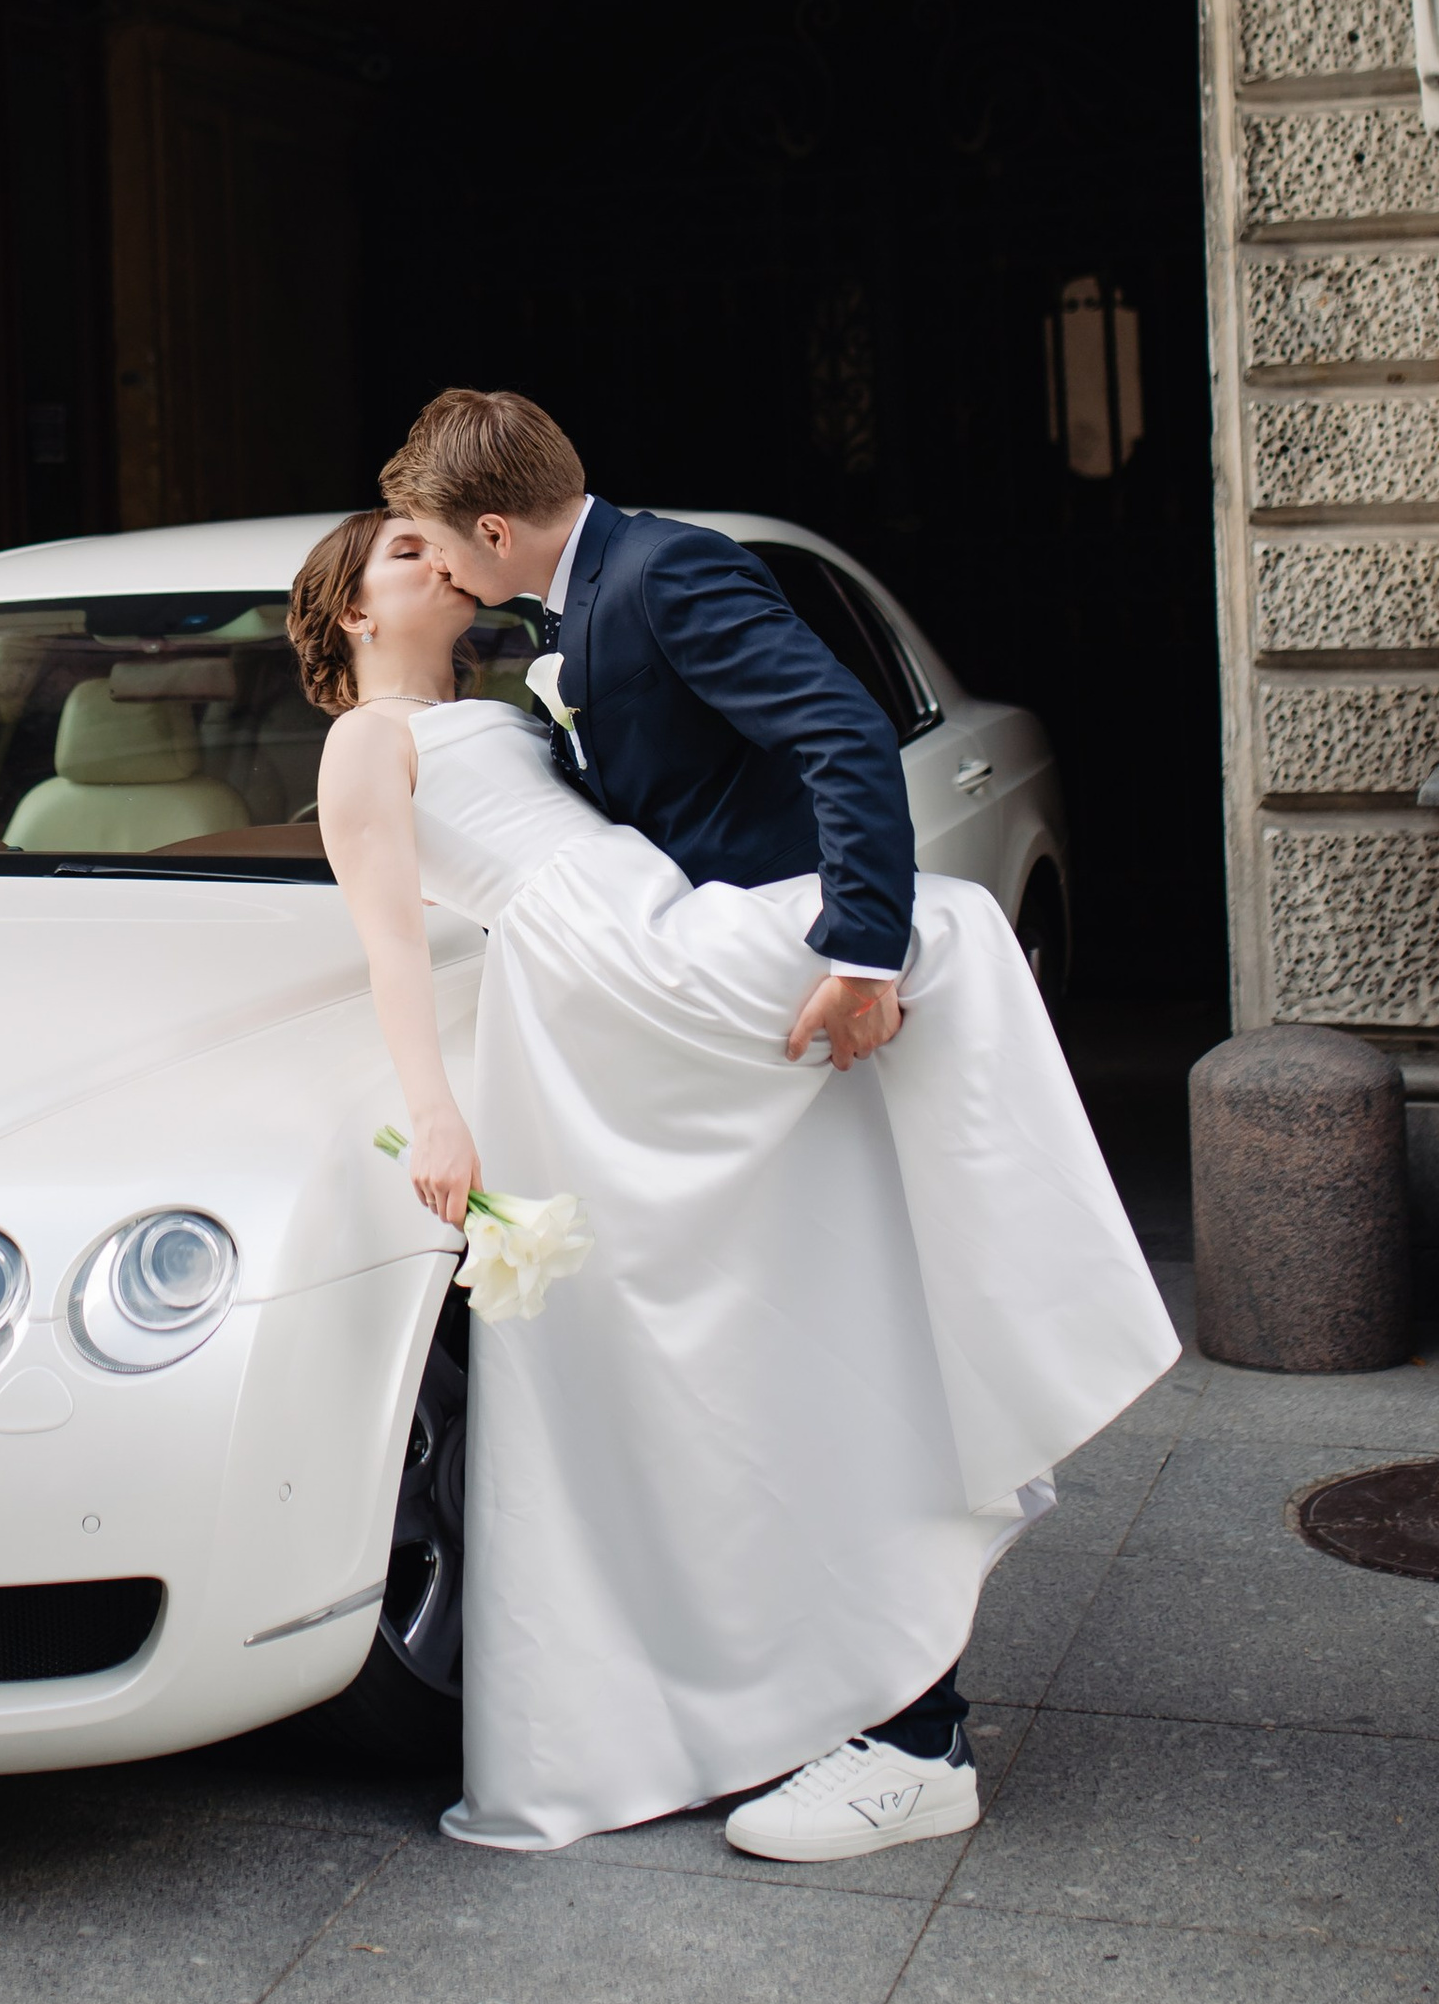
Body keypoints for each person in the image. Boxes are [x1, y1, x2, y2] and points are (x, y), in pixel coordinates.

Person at [296, 395, 1175, 1860]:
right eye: (402, 550)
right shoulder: (361, 747)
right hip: (609, 999)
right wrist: (436, 1116)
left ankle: (902, 1688)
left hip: (654, 960)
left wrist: (863, 948)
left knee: (925, 988)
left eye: (437, 534)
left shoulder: (511, 700)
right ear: (346, 606)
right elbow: (395, 944)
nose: (435, 560)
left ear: (494, 536)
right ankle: (788, 1704)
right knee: (701, 1366)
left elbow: (769, 758)